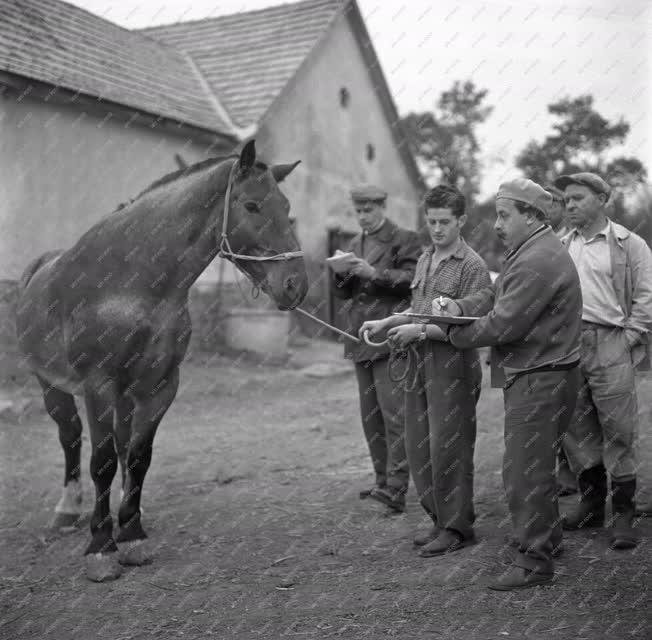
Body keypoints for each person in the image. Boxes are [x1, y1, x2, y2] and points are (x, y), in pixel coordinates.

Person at [432, 178, 582, 591]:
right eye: (497, 213)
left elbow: (503, 322)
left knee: (523, 473)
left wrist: (451, 333)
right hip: (544, 375)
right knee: (538, 468)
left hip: (540, 379)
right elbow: (495, 297)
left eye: (504, 214)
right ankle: (546, 540)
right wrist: (456, 307)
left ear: (532, 215)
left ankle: (534, 562)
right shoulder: (533, 249)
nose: (497, 224)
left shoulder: (538, 259)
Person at [360, 185, 491, 556]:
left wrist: (417, 330)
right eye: (431, 221)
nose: (436, 229)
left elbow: (471, 325)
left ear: (461, 221)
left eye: (444, 222)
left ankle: (458, 527)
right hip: (418, 364)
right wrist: (387, 321)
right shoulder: (425, 259)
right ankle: (438, 519)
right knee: (420, 448)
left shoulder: (473, 266)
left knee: (449, 447)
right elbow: (418, 308)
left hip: (453, 366)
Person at [554, 172, 652, 550]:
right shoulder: (562, 245)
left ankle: (624, 512)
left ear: (601, 199)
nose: (570, 205)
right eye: (566, 200)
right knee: (577, 427)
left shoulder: (630, 245)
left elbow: (645, 296)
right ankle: (592, 503)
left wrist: (628, 339)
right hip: (571, 342)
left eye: (577, 198)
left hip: (612, 339)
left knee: (619, 428)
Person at [330, 184, 421, 512]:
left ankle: (397, 488)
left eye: (369, 210)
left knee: (393, 413)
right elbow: (344, 294)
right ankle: (381, 481)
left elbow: (413, 280)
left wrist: (375, 273)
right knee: (370, 416)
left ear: (383, 206)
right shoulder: (354, 244)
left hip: (389, 335)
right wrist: (340, 276)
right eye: (359, 211)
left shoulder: (404, 239)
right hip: (360, 339)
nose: (363, 217)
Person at [544, 184, 578, 496]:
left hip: (572, 333)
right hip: (546, 336)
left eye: (553, 203)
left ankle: (577, 473)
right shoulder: (533, 242)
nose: (548, 209)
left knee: (574, 410)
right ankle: (560, 472)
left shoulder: (569, 241)